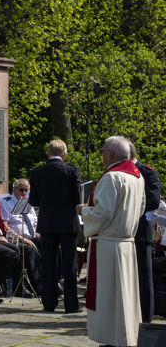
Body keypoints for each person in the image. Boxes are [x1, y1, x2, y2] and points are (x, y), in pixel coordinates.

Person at [77, 136, 145, 346]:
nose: (102, 154)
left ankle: (111, 338)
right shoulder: (137, 177)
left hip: (108, 244)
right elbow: (140, 209)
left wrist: (84, 211)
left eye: (104, 150)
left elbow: (103, 213)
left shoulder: (111, 177)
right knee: (124, 296)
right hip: (126, 242)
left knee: (107, 297)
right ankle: (126, 336)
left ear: (112, 155)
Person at [28, 139, 81, 313]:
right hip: (67, 224)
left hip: (47, 223)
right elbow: (77, 199)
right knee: (69, 265)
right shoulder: (72, 171)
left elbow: (33, 201)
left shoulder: (37, 172)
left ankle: (49, 303)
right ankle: (71, 304)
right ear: (64, 155)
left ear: (48, 154)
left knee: (48, 265)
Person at [128, 141, 161, 323]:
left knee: (144, 277)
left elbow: (153, 201)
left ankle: (146, 318)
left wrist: (129, 211)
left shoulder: (148, 172)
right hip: (122, 232)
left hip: (140, 231)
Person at [0, 178, 43, 296]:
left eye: (26, 190)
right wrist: (23, 239)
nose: (24, 193)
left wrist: (38, 233)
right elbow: (5, 226)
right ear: (14, 189)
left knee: (53, 245)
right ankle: (36, 285)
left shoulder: (28, 203)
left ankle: (54, 280)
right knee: (30, 250)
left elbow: (35, 223)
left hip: (32, 236)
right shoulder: (6, 203)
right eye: (21, 190)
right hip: (16, 239)